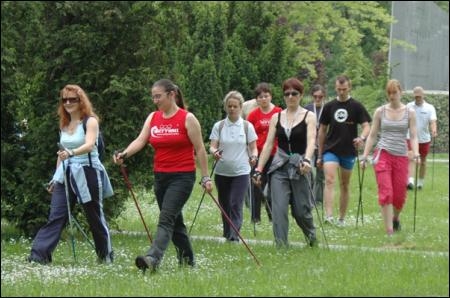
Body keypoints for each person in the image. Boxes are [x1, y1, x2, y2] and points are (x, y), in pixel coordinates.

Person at [113, 79, 213, 273]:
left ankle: (153, 257)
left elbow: (200, 149)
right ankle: (188, 261)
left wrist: (206, 177)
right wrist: (124, 154)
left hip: (182, 177)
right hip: (161, 176)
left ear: (171, 95)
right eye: (153, 97)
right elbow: (141, 140)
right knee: (175, 221)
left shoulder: (187, 118)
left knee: (166, 218)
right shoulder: (153, 117)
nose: (155, 100)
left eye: (158, 96)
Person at [28, 84, 114, 264]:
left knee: (94, 217)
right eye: (64, 100)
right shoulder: (64, 125)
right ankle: (38, 256)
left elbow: (90, 144)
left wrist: (72, 153)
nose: (68, 103)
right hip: (66, 174)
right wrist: (54, 178)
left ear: (81, 100)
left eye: (72, 99)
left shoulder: (90, 121)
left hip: (88, 172)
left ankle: (105, 255)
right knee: (56, 215)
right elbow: (62, 154)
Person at [253, 77, 317, 248]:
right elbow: (268, 145)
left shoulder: (309, 116)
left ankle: (311, 237)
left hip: (300, 166)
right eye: (287, 94)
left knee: (301, 212)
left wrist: (307, 159)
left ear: (301, 95)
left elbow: (311, 140)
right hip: (279, 166)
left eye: (294, 93)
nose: (290, 97)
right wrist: (258, 169)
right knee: (278, 209)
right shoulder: (277, 117)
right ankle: (281, 246)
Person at [360, 79, 419, 235]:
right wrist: (365, 156)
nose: (392, 96)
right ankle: (389, 231)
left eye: (395, 92)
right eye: (389, 93)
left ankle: (395, 218)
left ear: (401, 92)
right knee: (387, 193)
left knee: (399, 197)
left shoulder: (410, 112)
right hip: (383, 153)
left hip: (401, 156)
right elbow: (372, 135)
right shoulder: (380, 111)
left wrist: (416, 152)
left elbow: (413, 136)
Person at [317, 75, 371, 227]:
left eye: (344, 89)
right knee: (329, 180)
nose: (341, 92)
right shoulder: (329, 106)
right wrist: (320, 154)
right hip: (331, 149)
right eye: (339, 89)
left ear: (349, 88)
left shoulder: (356, 106)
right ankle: (328, 216)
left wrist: (361, 137)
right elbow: (322, 131)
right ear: (335, 88)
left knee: (344, 184)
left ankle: (341, 218)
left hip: (348, 150)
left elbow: (367, 126)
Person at [209, 90, 258, 242]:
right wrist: (214, 152)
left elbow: (253, 147)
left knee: (235, 203)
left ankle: (234, 235)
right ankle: (227, 232)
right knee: (224, 204)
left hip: (241, 171)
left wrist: (254, 156)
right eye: (229, 106)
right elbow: (212, 146)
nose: (232, 109)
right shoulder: (219, 126)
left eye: (235, 106)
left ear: (240, 107)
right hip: (222, 171)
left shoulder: (247, 126)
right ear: (225, 107)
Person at [247, 83, 282, 223]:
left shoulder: (279, 112)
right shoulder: (253, 115)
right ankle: (255, 218)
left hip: (275, 155)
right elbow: (248, 136)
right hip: (258, 156)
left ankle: (273, 216)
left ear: (271, 96)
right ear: (256, 99)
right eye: (260, 97)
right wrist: (251, 154)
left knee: (273, 188)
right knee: (256, 185)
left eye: (266, 96)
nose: (263, 99)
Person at [406, 86, 437, 190]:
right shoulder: (408, 106)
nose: (417, 98)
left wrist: (433, 130)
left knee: (423, 161)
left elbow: (433, 121)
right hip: (410, 137)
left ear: (423, 95)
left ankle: (420, 183)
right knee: (411, 157)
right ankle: (410, 181)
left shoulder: (430, 107)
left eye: (419, 96)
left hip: (424, 139)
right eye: (415, 96)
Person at [304, 84, 327, 205]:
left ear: (324, 96)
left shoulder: (327, 109)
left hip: (323, 144)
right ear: (312, 96)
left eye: (320, 97)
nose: (318, 99)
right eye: (315, 96)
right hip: (309, 144)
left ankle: (318, 199)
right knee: (308, 171)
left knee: (320, 174)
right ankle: (309, 197)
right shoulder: (307, 109)